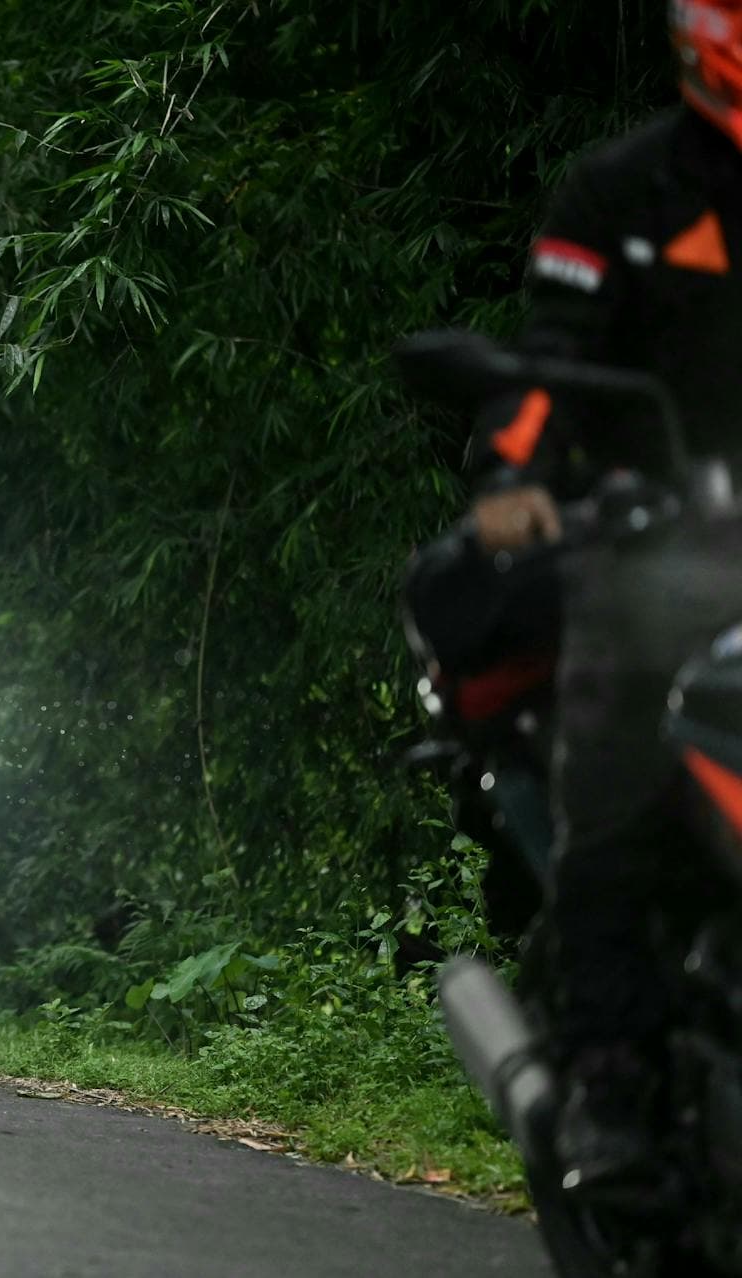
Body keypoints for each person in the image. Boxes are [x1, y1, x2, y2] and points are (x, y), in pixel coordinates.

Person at [458, 1, 742, 1191]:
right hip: (659, 551)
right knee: (613, 765)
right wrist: (519, 477)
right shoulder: (620, 192)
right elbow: (546, 367)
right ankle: (611, 1083)